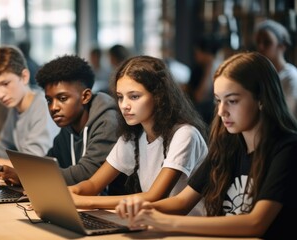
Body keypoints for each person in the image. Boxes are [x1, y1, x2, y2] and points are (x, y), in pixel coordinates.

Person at [115, 52, 297, 239]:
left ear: (261, 99)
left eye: (232, 101)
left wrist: (161, 221)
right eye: (218, 100)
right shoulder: (227, 145)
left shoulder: (288, 148)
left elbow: (255, 223)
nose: (221, 111)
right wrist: (139, 208)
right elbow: (182, 202)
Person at [66, 55, 208, 212]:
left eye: (134, 96)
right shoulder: (133, 137)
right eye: (120, 97)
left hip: (185, 230)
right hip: (152, 224)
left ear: (158, 96)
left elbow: (154, 196)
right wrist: (69, 193)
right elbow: (93, 184)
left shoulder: (185, 134)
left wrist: (85, 202)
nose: (124, 105)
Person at [0, 54, 125, 191]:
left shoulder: (108, 122)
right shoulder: (69, 126)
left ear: (85, 97)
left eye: (62, 98)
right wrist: (18, 174)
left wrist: (26, 176)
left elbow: (86, 174)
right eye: (49, 100)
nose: (54, 107)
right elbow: (49, 162)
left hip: (115, 209)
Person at [0, 46, 59, 160]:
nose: (0, 95)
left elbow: (33, 162)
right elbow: (3, 147)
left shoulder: (43, 106)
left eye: (5, 84)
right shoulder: (15, 107)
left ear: (24, 77)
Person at [254, 19, 297, 119]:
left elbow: (287, 114)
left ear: (282, 46)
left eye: (267, 42)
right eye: (258, 42)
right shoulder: (261, 74)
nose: (261, 47)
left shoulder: (291, 77)